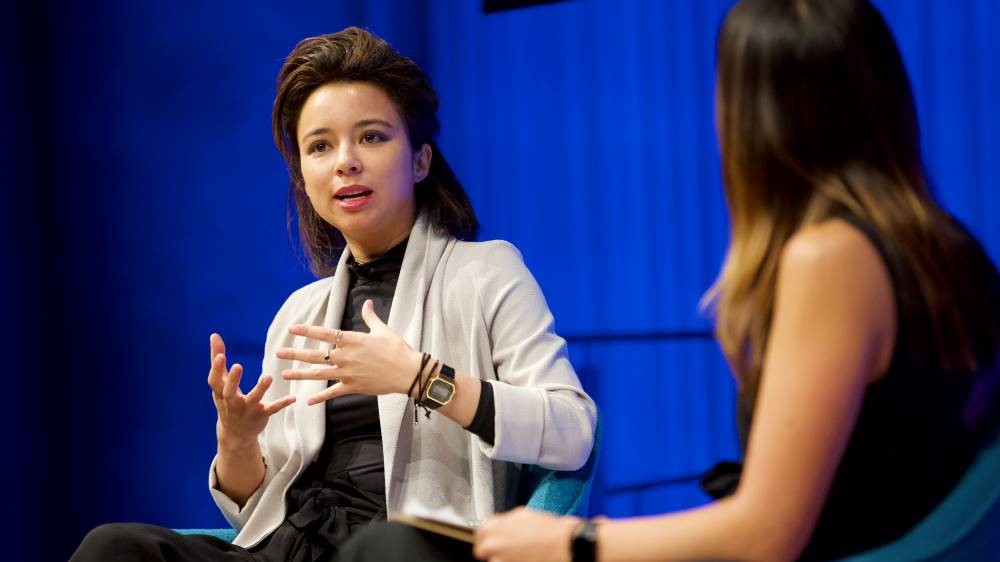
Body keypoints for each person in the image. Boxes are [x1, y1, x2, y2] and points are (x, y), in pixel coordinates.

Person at [473, 1, 1000, 561]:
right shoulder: (950, 246)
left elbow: (765, 534)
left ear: (753, 116)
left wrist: (572, 541)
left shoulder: (831, 261)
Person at [71, 26, 596, 562]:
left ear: (420, 159)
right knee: (113, 546)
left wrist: (421, 379)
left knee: (385, 546)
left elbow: (572, 432)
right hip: (291, 549)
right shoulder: (301, 312)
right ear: (302, 174)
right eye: (320, 146)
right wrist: (237, 441)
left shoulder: (487, 273)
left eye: (371, 136)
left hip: (404, 548)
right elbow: (256, 510)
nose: (345, 160)